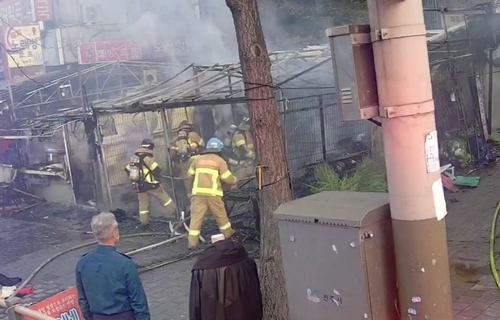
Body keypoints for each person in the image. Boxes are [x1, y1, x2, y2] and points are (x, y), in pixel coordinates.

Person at [76, 212, 150, 320]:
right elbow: (138, 301)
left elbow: (83, 300)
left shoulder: (82, 263)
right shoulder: (125, 264)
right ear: (115, 234)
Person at [189, 234, 263, 320]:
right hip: (242, 313)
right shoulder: (246, 260)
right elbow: (254, 294)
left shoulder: (201, 266)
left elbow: (195, 304)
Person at [187, 138, 238, 249]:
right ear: (219, 149)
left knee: (196, 218)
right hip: (213, 195)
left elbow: (189, 176)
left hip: (198, 194)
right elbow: (227, 178)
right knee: (221, 217)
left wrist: (189, 191)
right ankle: (229, 236)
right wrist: (235, 180)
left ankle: (192, 243)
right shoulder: (220, 161)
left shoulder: (197, 160)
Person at [125, 139, 176, 225]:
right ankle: (175, 213)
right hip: (151, 185)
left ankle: (144, 222)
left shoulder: (133, 158)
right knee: (165, 199)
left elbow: (127, 170)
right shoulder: (148, 158)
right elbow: (157, 170)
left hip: (139, 186)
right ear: (150, 147)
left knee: (143, 206)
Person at [169, 121, 205, 199]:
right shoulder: (194, 135)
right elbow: (203, 145)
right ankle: (204, 194)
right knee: (201, 177)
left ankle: (191, 197)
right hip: (197, 159)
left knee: (188, 181)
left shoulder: (175, 139)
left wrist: (178, 163)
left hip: (184, 162)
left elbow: (172, 155)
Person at [223, 117, 255, 181]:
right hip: (241, 166)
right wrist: (255, 156)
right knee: (239, 184)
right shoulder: (239, 135)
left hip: (248, 164)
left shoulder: (247, 134)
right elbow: (242, 149)